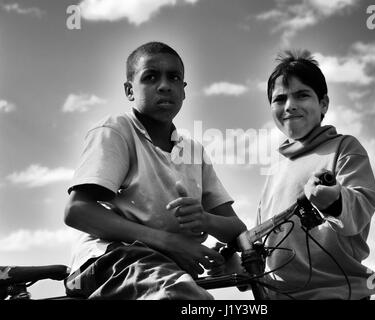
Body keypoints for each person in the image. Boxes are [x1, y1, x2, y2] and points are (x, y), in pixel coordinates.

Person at [63, 41, 247, 300]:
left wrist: (205, 220)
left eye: (174, 77)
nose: (164, 85)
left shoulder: (193, 151)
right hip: (108, 260)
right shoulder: (116, 130)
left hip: (166, 271)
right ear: (129, 90)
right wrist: (168, 242)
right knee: (184, 298)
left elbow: (236, 228)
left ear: (184, 91)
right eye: (150, 77)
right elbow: (77, 211)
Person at [257, 50, 375, 300]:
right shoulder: (275, 169)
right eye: (279, 99)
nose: (290, 106)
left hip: (336, 294)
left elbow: (358, 212)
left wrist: (335, 202)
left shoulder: (345, 148)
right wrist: (236, 263)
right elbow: (263, 243)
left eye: (302, 95)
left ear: (324, 103)